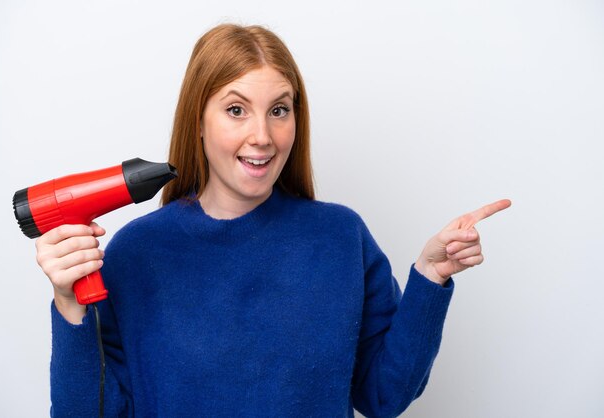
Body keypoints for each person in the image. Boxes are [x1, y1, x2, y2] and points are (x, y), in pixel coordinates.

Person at [35, 23, 511, 417]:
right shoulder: (137, 253)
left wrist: (430, 277)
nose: (262, 136)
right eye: (236, 110)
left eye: (278, 110)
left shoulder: (341, 238)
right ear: (198, 121)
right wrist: (68, 303)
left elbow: (385, 396)